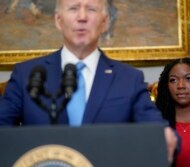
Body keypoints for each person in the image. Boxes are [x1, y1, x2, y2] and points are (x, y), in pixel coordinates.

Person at [0, 0, 179, 164]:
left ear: (105, 22)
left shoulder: (129, 79)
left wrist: (166, 138)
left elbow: (159, 132)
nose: (82, 17)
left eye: (91, 9)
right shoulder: (27, 74)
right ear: (58, 20)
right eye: (73, 8)